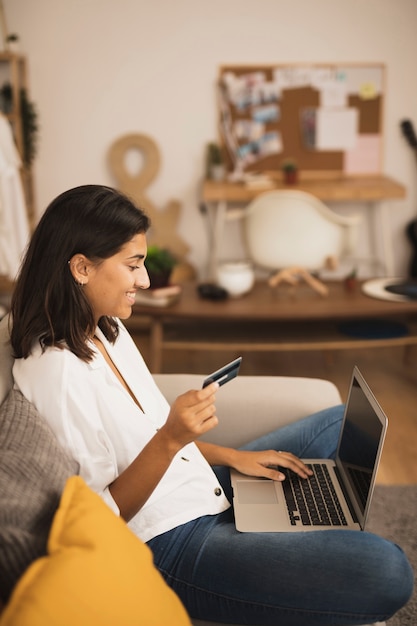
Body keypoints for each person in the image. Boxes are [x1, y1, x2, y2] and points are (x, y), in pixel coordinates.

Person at [10, 185, 413, 626]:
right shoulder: (56, 373)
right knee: (389, 570)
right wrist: (172, 439)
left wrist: (233, 457)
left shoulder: (106, 329)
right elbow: (105, 519)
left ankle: (314, 529)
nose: (144, 281)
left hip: (197, 484)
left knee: (339, 422)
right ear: (82, 268)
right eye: (133, 265)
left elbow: (152, 438)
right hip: (169, 543)